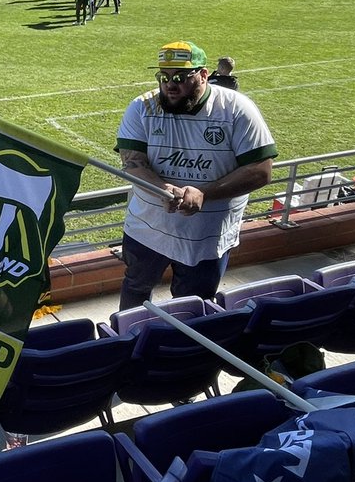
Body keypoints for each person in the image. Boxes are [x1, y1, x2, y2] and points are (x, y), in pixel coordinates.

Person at [115, 41, 277, 310]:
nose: (170, 85)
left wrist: (205, 194)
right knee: (135, 289)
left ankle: (181, 351)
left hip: (208, 237)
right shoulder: (142, 107)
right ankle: (129, 343)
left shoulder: (237, 109)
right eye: (163, 77)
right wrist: (162, 188)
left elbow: (261, 170)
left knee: (193, 305)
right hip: (147, 229)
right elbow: (133, 164)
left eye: (180, 77)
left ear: (204, 75)